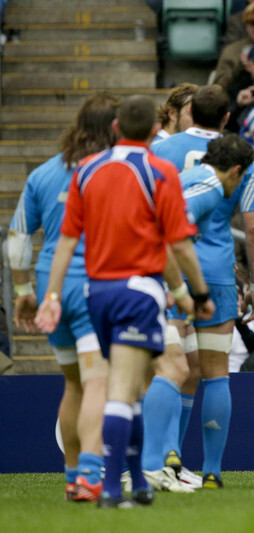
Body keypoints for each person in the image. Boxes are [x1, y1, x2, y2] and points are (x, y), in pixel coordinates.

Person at [34, 95, 215, 508]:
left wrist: (53, 295)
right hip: (139, 292)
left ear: (116, 128)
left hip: (95, 294)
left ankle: (138, 481)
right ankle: (113, 489)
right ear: (155, 130)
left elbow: (63, 241)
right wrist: (196, 294)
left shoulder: (86, 169)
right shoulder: (159, 170)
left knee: (130, 391)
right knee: (121, 389)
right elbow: (179, 245)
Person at [149, 85, 254, 489]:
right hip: (217, 273)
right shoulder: (239, 157)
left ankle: (168, 459)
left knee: (172, 367)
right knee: (214, 373)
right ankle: (213, 469)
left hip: (170, 271)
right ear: (226, 118)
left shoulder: (160, 150)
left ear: (188, 112)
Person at [9, 92, 120, 502]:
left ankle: (73, 475)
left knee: (73, 384)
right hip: (96, 285)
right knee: (97, 382)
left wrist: (24, 292)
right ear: (115, 128)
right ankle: (93, 474)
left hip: (50, 286)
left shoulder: (42, 174)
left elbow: (18, 239)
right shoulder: (114, 172)